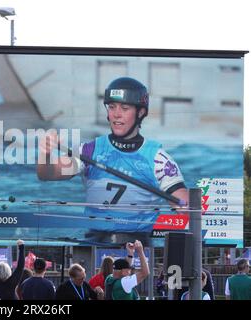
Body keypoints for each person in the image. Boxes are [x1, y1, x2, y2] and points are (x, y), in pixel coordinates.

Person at [37, 77, 188, 233]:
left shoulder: (158, 160)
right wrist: (46, 154)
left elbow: (186, 210)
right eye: (112, 107)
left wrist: (176, 215)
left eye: (124, 108)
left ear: (141, 112)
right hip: (93, 243)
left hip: (139, 246)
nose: (116, 114)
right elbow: (48, 174)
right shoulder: (90, 150)